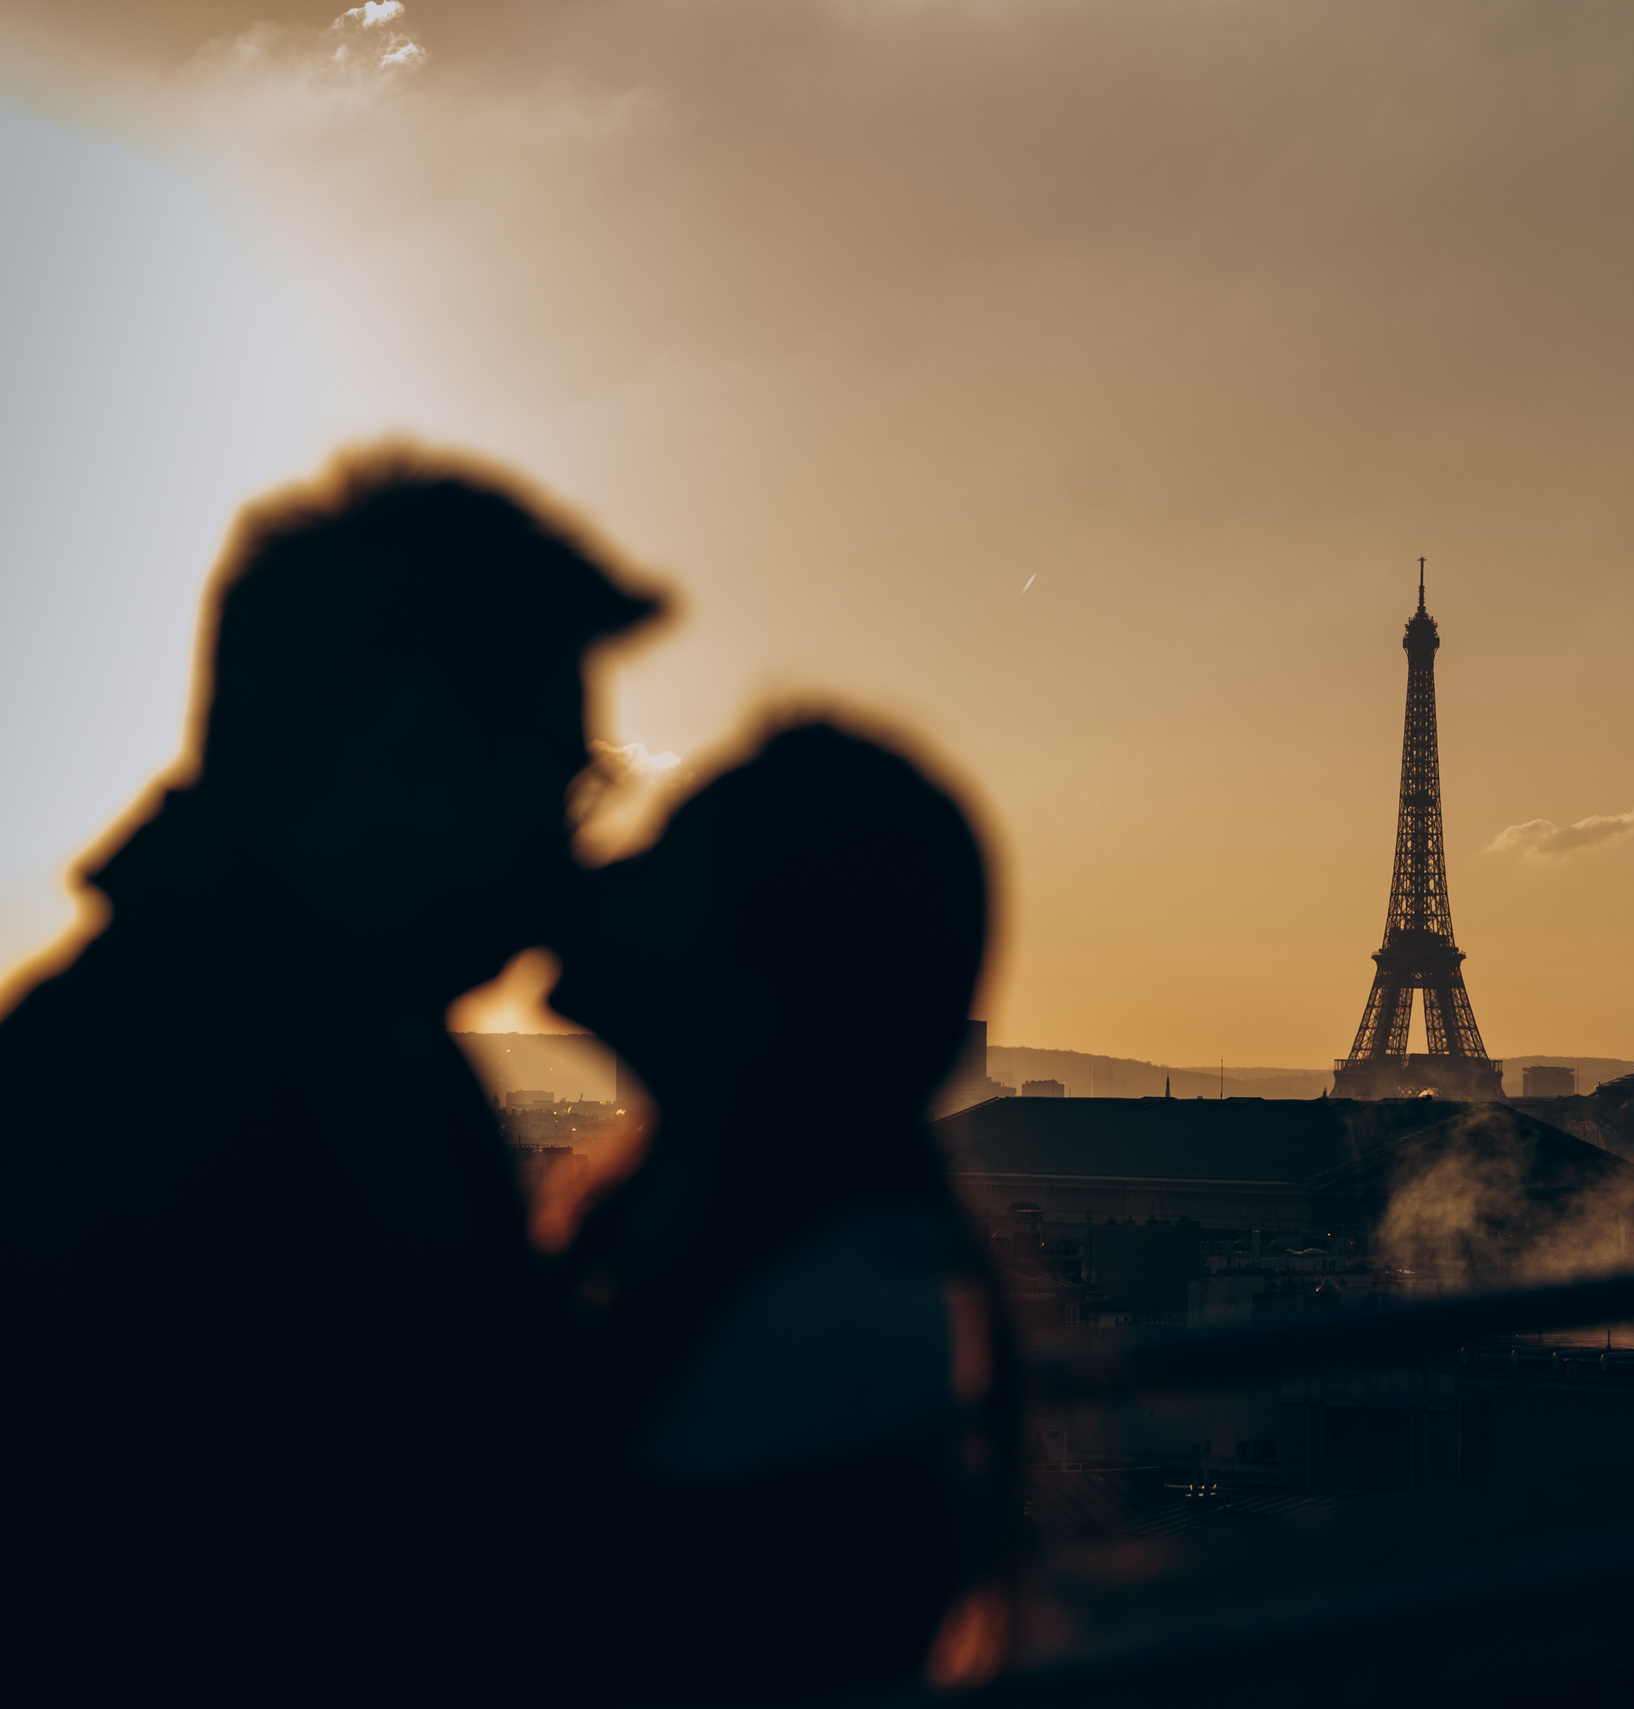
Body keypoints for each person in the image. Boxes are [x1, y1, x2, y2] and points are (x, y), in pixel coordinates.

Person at [0, 450, 661, 1705]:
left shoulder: (162, 1059)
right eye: (560, 780)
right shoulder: (237, 1098)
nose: (570, 839)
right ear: (414, 751)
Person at [537, 718, 1019, 1700]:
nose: (603, 866)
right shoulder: (836, 1284)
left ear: (743, 980)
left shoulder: (817, 1331)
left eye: (665, 856)